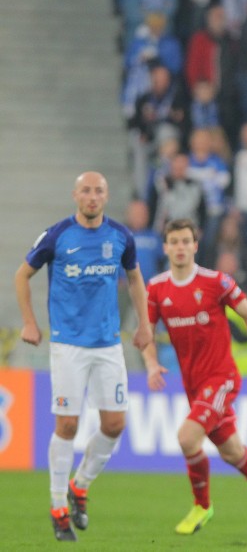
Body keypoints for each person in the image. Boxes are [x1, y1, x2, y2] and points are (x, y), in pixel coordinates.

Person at [14, 172, 153, 542]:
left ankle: (80, 485)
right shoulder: (57, 235)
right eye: (86, 190)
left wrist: (144, 324)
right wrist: (30, 323)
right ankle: (58, 506)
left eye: (99, 191)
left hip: (108, 345)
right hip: (68, 345)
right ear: (75, 194)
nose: (92, 197)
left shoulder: (120, 236)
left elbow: (136, 278)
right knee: (68, 427)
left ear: (106, 197)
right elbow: (21, 276)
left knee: (114, 425)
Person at [142, 219, 247, 536]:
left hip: (222, 378)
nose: (180, 247)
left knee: (187, 437)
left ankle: (202, 505)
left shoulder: (217, 282)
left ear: (195, 245)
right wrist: (149, 364)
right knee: (233, 452)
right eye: (173, 241)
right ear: (165, 247)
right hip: (193, 384)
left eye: (186, 240)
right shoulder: (157, 288)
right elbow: (145, 333)